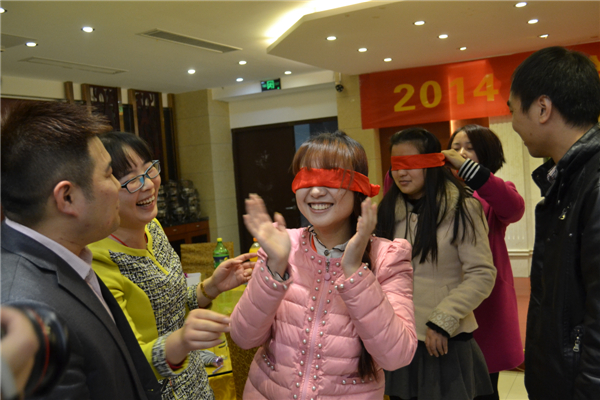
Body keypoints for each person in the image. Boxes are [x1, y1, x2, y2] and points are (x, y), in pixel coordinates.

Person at [230, 131, 417, 399]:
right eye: (307, 177)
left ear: (358, 186)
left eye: (331, 177)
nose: (316, 191)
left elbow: (396, 356)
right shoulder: (281, 245)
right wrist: (276, 266)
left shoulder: (389, 257)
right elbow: (243, 337)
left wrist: (354, 271)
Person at [1, 101, 161, 399]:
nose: (117, 187)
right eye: (110, 174)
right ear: (68, 197)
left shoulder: (69, 258)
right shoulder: (27, 314)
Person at [89, 131, 254, 400]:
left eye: (149, 169)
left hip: (197, 384)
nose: (148, 185)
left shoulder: (152, 227)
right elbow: (129, 362)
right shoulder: (98, 261)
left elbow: (170, 309)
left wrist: (211, 287)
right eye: (131, 179)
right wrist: (182, 340)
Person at [508, 46, 600, 400]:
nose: (514, 123)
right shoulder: (567, 180)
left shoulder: (593, 183)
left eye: (513, 109)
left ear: (542, 108)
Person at [378, 127, 497, 400]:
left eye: (411, 164)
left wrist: (443, 319)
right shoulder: (387, 211)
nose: (401, 173)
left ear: (432, 163)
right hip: (400, 338)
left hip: (445, 339)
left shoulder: (462, 208)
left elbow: (482, 274)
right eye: (396, 165)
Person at [444, 124, 525, 400]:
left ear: (487, 154)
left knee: (483, 386)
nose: (461, 153)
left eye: (470, 148)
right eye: (455, 148)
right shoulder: (436, 194)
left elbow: (513, 208)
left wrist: (471, 172)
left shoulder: (495, 193)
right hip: (444, 298)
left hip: (484, 302)